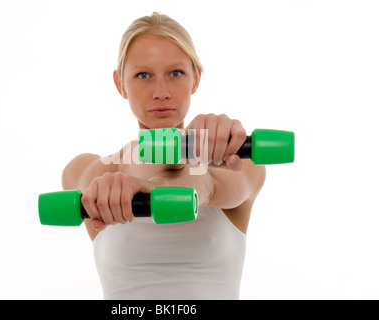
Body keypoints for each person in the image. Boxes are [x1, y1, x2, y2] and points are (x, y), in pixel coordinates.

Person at [62, 12, 266, 300]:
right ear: (120, 83)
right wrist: (187, 148)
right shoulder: (87, 170)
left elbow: (203, 185)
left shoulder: (241, 162)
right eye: (143, 75)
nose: (161, 92)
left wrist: (180, 158)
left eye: (175, 73)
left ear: (196, 78)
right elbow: (138, 162)